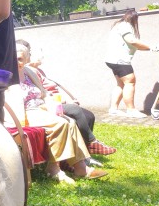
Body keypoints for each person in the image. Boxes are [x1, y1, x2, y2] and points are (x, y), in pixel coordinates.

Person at [15, 44, 107, 183]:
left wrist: (52, 105)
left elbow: (44, 93)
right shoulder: (8, 74)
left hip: (40, 107)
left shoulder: (29, 72)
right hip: (24, 111)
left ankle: (80, 167)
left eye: (20, 59)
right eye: (14, 58)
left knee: (70, 122)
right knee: (61, 123)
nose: (17, 62)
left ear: (27, 59)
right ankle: (54, 168)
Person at [104, 9, 152, 118]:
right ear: (134, 18)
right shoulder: (126, 25)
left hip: (112, 60)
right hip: (120, 60)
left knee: (120, 84)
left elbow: (134, 45)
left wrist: (149, 49)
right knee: (130, 81)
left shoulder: (118, 25)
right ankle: (131, 110)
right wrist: (152, 47)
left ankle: (113, 109)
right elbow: (132, 41)